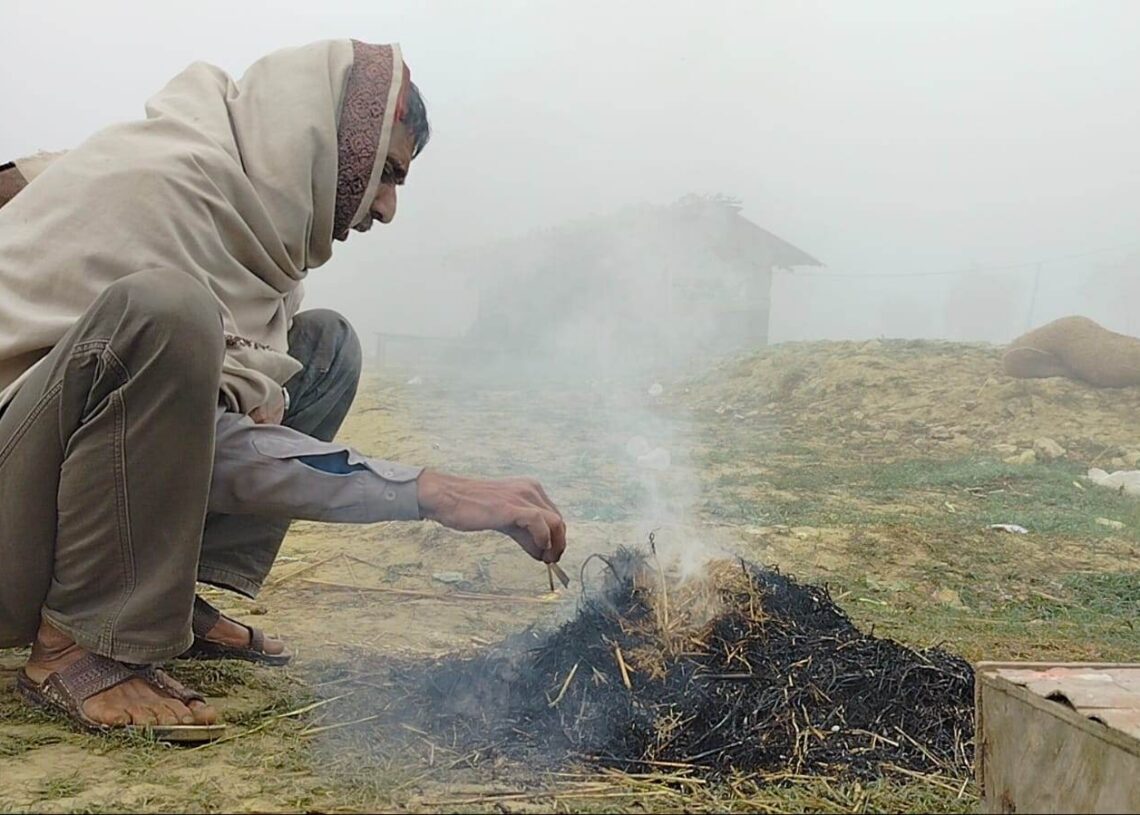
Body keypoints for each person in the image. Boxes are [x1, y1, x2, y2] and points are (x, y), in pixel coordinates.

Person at [0, 39, 567, 741]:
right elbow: (207, 449)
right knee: (170, 311)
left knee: (322, 350)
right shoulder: (164, 187)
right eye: (387, 173)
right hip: (13, 514)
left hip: (68, 492)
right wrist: (428, 490)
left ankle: (161, 596)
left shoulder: (252, 230)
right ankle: (78, 641)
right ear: (332, 143)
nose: (387, 207)